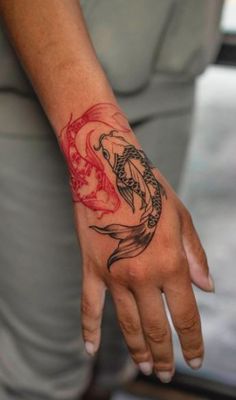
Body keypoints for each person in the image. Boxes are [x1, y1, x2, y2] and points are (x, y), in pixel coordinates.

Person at [0, 1, 217, 399]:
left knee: (125, 341)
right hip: (30, 85)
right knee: (43, 370)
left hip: (170, 70)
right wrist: (95, 135)